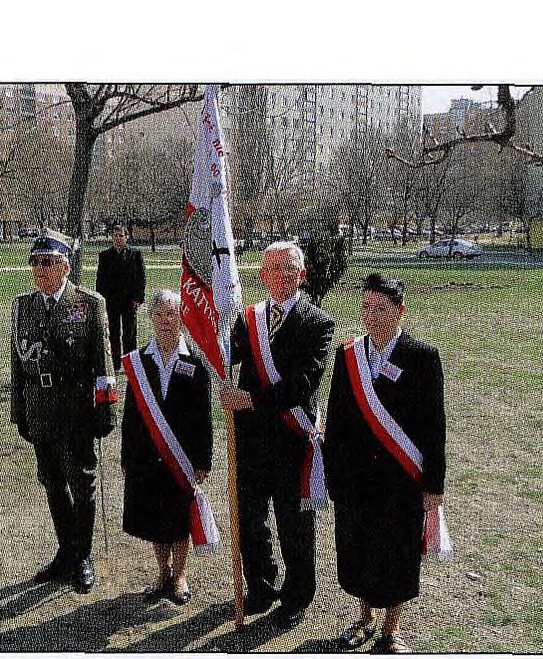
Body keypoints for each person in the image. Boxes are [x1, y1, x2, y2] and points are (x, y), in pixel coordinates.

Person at [323, 272, 447, 654]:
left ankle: (391, 629)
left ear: (400, 311)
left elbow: (434, 426)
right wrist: (333, 474)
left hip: (400, 481)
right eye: (366, 307)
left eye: (381, 308)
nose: (372, 316)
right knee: (358, 548)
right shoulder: (349, 355)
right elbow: (337, 417)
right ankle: (364, 616)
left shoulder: (422, 357)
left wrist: (433, 486)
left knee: (396, 553)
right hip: (356, 479)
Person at [221, 241, 335, 630]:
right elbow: (227, 354)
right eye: (273, 269)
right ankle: (261, 585)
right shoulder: (249, 318)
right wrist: (212, 328)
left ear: (301, 275)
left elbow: (302, 385)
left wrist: (249, 399)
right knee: (250, 520)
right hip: (251, 442)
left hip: (292, 440)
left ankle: (297, 594)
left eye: (289, 268)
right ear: (262, 275)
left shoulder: (319, 322)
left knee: (293, 524)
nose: (281, 275)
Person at [10, 228, 117, 593]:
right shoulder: (22, 306)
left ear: (65, 266)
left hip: (76, 412)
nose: (40, 270)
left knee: (82, 484)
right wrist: (18, 411)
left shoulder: (88, 303)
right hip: (39, 409)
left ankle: (82, 556)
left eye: (48, 262)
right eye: (35, 263)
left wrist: (106, 412)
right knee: (52, 483)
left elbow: (104, 365)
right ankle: (66, 550)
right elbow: (17, 364)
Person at [120, 290, 214, 606]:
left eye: (172, 314)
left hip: (181, 458)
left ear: (181, 318)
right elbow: (131, 414)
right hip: (146, 456)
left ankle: (180, 575)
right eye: (159, 314)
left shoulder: (195, 363)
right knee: (154, 520)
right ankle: (162, 572)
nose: (166, 321)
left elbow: (204, 417)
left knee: (178, 519)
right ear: (151, 319)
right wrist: (126, 456)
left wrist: (202, 460)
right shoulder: (138, 361)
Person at [96, 224, 146, 372]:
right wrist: (101, 300)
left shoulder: (135, 255)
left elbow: (141, 278)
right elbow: (100, 280)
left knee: (130, 333)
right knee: (113, 332)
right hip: (111, 301)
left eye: (121, 235)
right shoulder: (104, 256)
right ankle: (115, 364)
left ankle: (130, 364)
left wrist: (138, 298)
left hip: (129, 301)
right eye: (115, 235)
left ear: (127, 237)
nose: (118, 238)